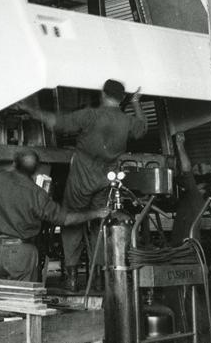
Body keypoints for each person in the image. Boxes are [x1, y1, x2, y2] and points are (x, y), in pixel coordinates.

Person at [21, 79, 147, 291]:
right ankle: (97, 278)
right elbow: (142, 128)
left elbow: (55, 122)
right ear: (121, 98)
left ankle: (70, 278)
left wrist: (31, 109)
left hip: (82, 177)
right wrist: (135, 103)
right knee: (100, 221)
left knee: (72, 222)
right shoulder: (126, 121)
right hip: (106, 179)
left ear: (103, 94)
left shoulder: (91, 115)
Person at [0, 104, 110, 282]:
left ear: (14, 163)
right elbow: (67, 219)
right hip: (20, 254)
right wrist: (96, 213)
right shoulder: (37, 194)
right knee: (23, 304)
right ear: (36, 171)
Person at [170, 132, 208, 245]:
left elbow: (187, 170)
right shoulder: (189, 199)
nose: (196, 168)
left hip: (185, 250)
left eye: (200, 169)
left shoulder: (195, 196)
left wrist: (180, 145)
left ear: (202, 186)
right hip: (183, 249)